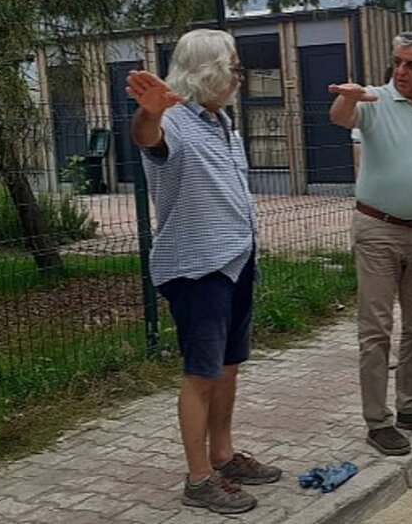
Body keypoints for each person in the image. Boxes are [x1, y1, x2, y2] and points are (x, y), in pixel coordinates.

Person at [126, 29, 281, 515]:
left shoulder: (222, 124)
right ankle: (198, 479)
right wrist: (148, 112)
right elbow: (148, 140)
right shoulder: (172, 120)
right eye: (233, 67)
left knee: (228, 366)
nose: (238, 77)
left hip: (236, 260)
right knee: (201, 374)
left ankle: (223, 454)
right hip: (197, 268)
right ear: (207, 69)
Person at [328, 31, 412, 456]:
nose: (400, 71)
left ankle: (411, 406)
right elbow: (342, 118)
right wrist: (347, 97)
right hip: (378, 229)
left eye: (411, 64)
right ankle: (378, 421)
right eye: (397, 62)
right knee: (376, 329)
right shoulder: (373, 100)